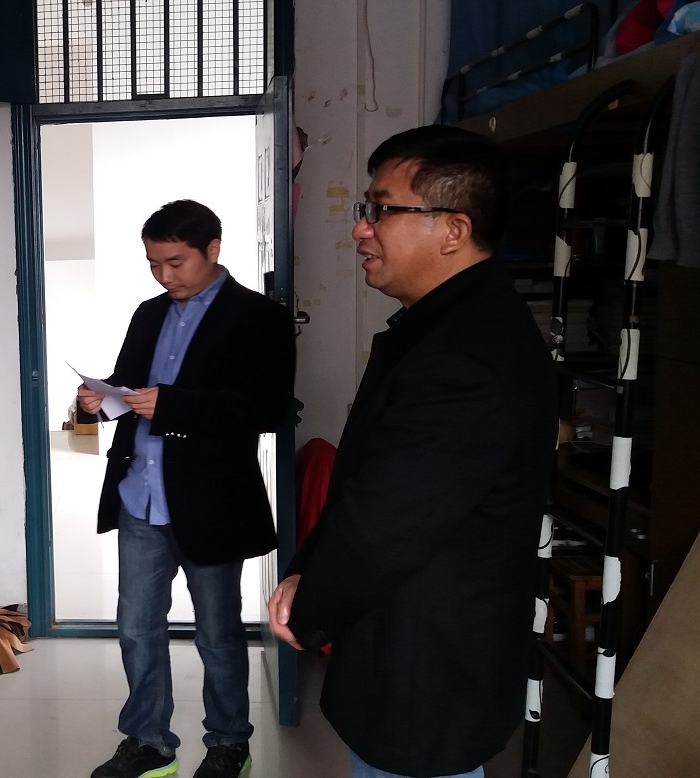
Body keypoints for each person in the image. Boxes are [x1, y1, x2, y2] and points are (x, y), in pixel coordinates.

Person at [267, 125, 556, 778]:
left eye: (380, 210)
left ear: (452, 229)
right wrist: (308, 574)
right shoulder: (446, 328)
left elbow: (386, 522)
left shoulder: (465, 359)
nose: (360, 230)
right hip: (415, 653)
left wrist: (309, 605)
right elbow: (370, 482)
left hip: (426, 671)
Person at [79, 200, 296, 778]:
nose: (164, 276)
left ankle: (228, 744)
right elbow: (131, 385)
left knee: (218, 634)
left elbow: (267, 409)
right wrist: (102, 399)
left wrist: (173, 406)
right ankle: (149, 743)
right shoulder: (149, 313)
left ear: (213, 250)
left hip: (210, 502)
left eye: (175, 262)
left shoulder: (259, 317)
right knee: (136, 630)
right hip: (140, 496)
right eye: (154, 264)